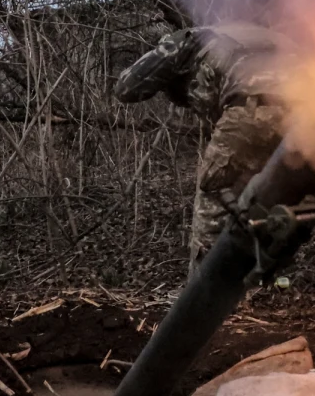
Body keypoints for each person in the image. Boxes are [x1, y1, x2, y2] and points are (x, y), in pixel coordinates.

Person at [115, 23, 292, 271]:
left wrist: (166, 62)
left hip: (254, 109)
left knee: (215, 199)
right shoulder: (266, 35)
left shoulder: (189, 39)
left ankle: (202, 302)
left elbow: (126, 88)